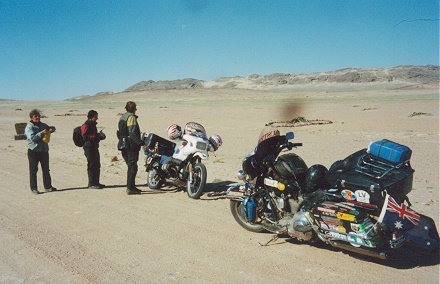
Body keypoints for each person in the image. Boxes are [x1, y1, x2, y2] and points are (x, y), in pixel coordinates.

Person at [117, 101, 148, 195]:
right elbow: (132, 132)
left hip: (122, 144)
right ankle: (130, 188)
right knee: (132, 167)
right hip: (130, 146)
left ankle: (132, 187)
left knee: (131, 166)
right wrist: (141, 143)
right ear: (134, 109)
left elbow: (119, 132)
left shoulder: (122, 117)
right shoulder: (131, 117)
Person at [25, 109, 57, 194]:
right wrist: (41, 133)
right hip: (33, 151)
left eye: (38, 116)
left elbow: (52, 128)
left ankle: (48, 186)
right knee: (33, 170)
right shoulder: (29, 127)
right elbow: (32, 138)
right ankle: (34, 188)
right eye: (35, 116)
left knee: (46, 169)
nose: (37, 118)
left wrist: (52, 129)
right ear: (31, 118)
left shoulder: (43, 125)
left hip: (44, 150)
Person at [81, 110, 106, 189]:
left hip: (94, 146)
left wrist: (98, 135)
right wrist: (96, 136)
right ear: (91, 117)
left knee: (97, 164)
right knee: (91, 164)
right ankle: (91, 183)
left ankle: (96, 182)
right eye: (96, 117)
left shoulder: (92, 125)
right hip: (88, 147)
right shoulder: (86, 125)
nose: (97, 118)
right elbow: (85, 137)